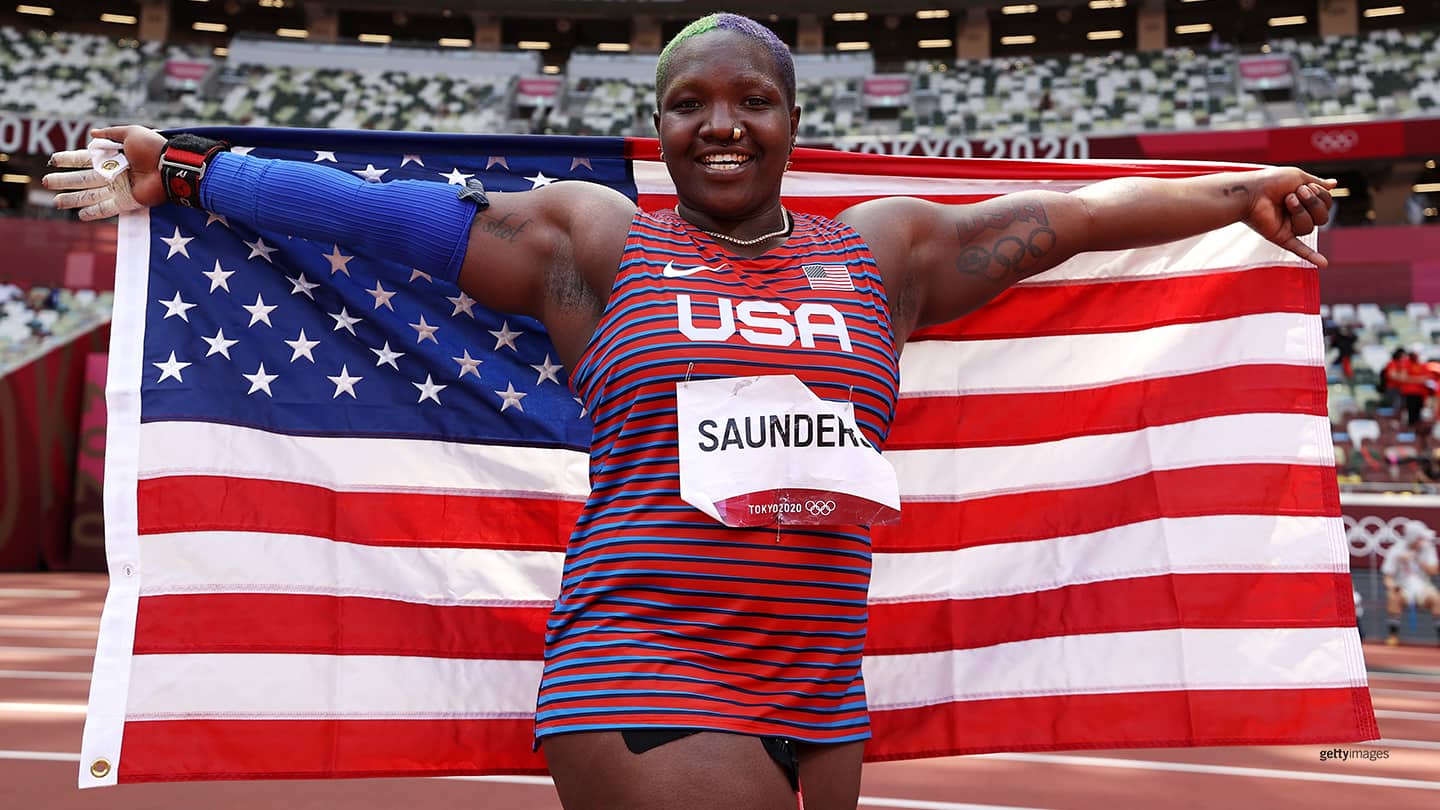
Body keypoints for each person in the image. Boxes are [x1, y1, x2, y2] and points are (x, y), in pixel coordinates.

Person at [42, 13, 1335, 810]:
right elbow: (384, 219)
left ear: (790, 119)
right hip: (648, 662)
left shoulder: (882, 255)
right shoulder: (603, 247)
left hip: (823, 682)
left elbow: (1060, 222)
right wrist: (198, 169)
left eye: (751, 101)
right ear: (657, 125)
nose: (721, 125)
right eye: (688, 105)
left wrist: (1234, 194)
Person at [1382, 520, 1440, 646]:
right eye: (1420, 538)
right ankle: (1393, 636)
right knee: (1393, 598)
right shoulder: (1396, 550)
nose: (1423, 541)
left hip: (1423, 587)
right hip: (1403, 586)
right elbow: (1388, 576)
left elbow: (1434, 570)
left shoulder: (1428, 548)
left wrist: (1417, 559)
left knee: (1436, 599)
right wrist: (1392, 587)